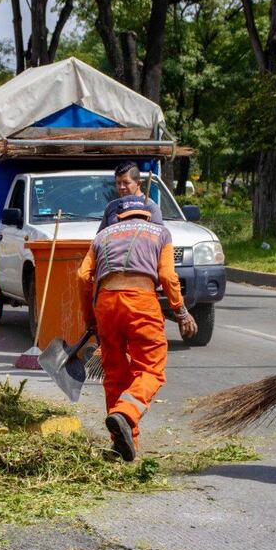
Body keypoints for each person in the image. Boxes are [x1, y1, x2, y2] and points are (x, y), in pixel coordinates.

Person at [77, 195, 197, 461]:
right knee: (151, 368)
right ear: (146, 215)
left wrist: (90, 318)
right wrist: (180, 310)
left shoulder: (102, 236)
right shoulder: (160, 233)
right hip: (141, 302)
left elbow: (83, 276)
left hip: (107, 305)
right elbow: (166, 276)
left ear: (120, 216)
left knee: (115, 374)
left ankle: (124, 443)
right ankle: (126, 414)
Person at [97, 161, 163, 231]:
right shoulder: (111, 207)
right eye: (118, 183)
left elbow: (159, 236)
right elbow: (100, 236)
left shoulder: (151, 207)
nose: (121, 187)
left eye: (126, 183)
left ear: (138, 183)